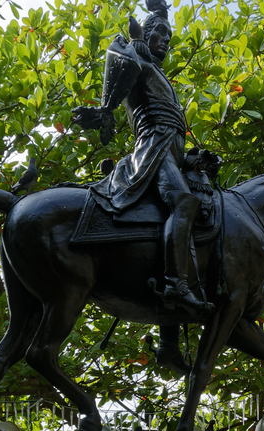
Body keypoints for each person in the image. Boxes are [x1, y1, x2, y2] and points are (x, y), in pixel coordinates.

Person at [72, 0, 211, 323]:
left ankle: (170, 335)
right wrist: (136, 40)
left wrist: (194, 158)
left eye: (168, 37)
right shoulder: (140, 62)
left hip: (171, 154)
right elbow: (124, 65)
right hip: (153, 150)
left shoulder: (163, 78)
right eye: (159, 34)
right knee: (185, 204)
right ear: (145, 36)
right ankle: (176, 285)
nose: (165, 41)